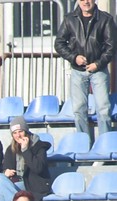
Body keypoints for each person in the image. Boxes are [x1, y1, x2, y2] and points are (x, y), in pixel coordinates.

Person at [54, 0, 115, 138]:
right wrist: (74, 57)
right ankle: (84, 144)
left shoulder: (106, 19)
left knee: (103, 109)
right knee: (78, 110)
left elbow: (111, 47)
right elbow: (59, 43)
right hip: (78, 71)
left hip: (99, 71)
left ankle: (105, 144)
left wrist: (98, 64)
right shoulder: (69, 19)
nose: (86, 2)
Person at [0, 116, 52, 201]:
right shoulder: (11, 148)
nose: (18, 135)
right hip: (18, 182)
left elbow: (38, 168)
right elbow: (7, 167)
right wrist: (6, 172)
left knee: (0, 192)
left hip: (34, 184)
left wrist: (25, 150)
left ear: (26, 131)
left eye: (20, 131)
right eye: (14, 133)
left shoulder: (39, 146)